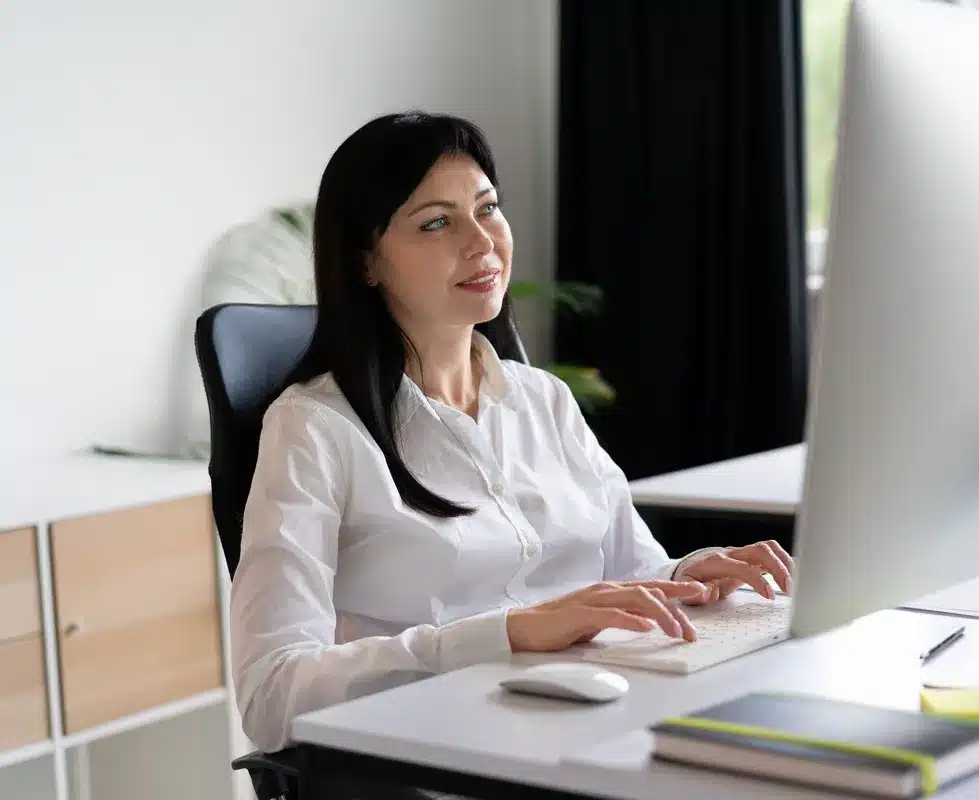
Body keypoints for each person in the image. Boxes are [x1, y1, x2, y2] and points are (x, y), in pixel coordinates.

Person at [230, 111, 795, 754]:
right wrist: (509, 633)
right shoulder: (316, 429)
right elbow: (270, 695)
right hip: (447, 756)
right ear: (366, 262)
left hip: (601, 721)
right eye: (436, 222)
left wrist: (696, 578)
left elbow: (632, 569)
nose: (482, 242)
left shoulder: (542, 399)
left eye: (488, 209)